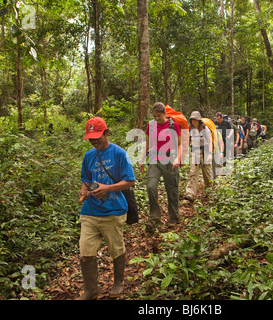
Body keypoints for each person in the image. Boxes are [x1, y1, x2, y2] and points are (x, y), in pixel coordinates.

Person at [77, 117, 136, 300]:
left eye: (97, 137)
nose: (94, 141)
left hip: (113, 210)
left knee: (116, 249)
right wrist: (84, 192)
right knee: (85, 251)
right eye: (91, 138)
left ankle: (118, 282)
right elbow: (85, 181)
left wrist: (107, 188)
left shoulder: (119, 153)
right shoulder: (89, 156)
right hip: (90, 211)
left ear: (106, 133)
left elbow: (130, 180)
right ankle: (91, 289)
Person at [139, 102, 182, 235]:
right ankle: (154, 216)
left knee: (172, 189)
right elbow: (148, 143)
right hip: (155, 160)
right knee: (151, 186)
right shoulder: (151, 125)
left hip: (170, 160)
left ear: (164, 114)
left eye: (159, 116)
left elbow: (180, 145)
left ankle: (174, 217)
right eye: (154, 116)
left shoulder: (173, 125)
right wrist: (141, 159)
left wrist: (177, 159)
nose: (156, 118)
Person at [184, 111, 213, 203]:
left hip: (205, 152)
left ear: (199, 120)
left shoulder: (205, 129)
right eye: (192, 119)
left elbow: (210, 141)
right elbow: (188, 141)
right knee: (193, 173)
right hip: (195, 152)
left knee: (207, 174)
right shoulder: (190, 129)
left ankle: (210, 192)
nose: (194, 121)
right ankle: (190, 194)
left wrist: (210, 154)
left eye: (195, 119)